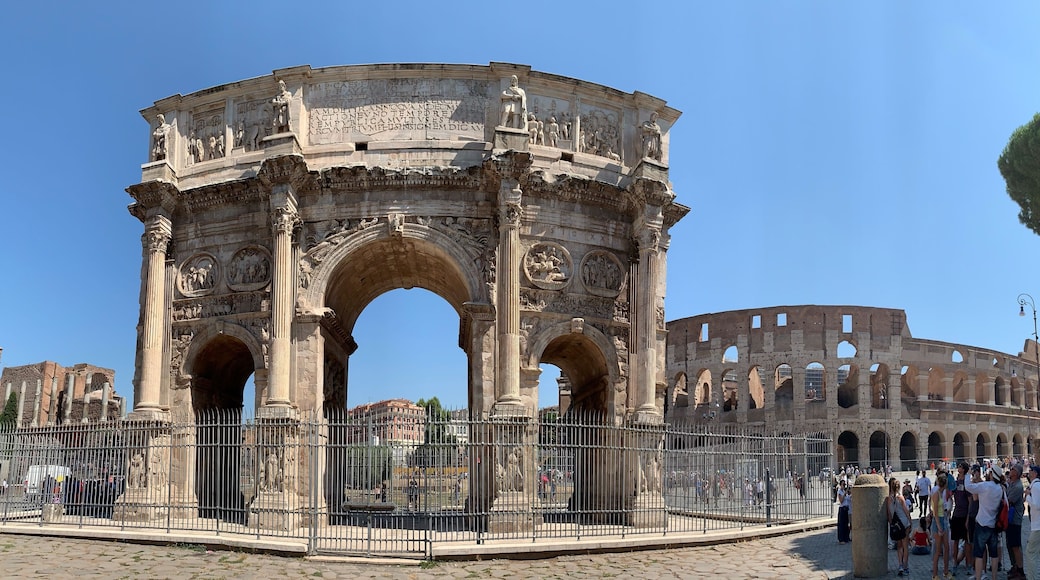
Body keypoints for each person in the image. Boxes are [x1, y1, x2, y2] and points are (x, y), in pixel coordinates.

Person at [966, 464, 1006, 580]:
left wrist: (969, 474)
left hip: (982, 524)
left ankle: (978, 577)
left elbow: (968, 486)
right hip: (994, 525)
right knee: (994, 554)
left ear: (992, 474)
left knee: (979, 553)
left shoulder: (986, 486)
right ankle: (994, 577)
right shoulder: (1000, 488)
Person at [951, 462, 973, 575]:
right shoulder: (955, 482)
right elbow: (949, 494)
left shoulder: (967, 483)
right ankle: (955, 563)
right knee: (955, 541)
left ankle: (968, 565)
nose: (958, 468)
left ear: (963, 469)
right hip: (956, 514)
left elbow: (970, 502)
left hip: (964, 515)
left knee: (967, 542)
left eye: (959, 466)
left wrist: (968, 518)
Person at [930, 470, 952, 579]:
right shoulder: (936, 494)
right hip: (937, 521)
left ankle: (946, 572)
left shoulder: (943, 492)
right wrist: (939, 527)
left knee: (947, 547)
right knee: (938, 550)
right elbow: (934, 512)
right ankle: (935, 575)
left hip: (944, 519)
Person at [888, 477, 912, 575]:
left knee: (899, 546)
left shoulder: (888, 499)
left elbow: (889, 515)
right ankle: (905, 566)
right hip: (904, 523)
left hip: (896, 525)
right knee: (905, 546)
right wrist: (910, 522)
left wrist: (892, 524)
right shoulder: (901, 498)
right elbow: (906, 512)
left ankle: (900, 565)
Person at [1008, 464, 1027, 579]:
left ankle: (1020, 570)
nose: (1010, 470)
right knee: (1011, 545)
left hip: (1015, 519)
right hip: (1010, 519)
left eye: (1013, 469)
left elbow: (1008, 499)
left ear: (1017, 473)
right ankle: (1015, 566)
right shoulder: (1012, 483)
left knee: (1015, 546)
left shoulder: (1017, 486)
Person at [1025, 465, 1040, 580]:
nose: (1028, 473)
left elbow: (1037, 505)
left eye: (1030, 471)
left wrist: (1028, 496)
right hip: (1036, 525)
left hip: (1037, 526)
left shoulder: (1035, 486)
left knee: (1030, 553)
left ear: (1034, 473)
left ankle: (1032, 577)